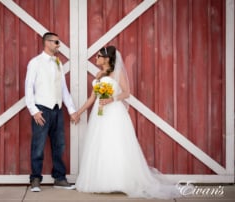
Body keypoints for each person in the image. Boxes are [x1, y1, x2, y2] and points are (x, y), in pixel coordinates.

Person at [75, 45, 181, 199]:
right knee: (100, 145)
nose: (96, 58)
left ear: (107, 58)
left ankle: (121, 181)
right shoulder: (98, 74)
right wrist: (78, 112)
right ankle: (101, 181)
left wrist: (112, 99)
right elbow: (93, 98)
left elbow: (126, 93)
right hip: (99, 116)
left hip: (114, 113)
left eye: (98, 56)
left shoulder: (117, 74)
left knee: (116, 144)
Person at [25, 32, 79, 192]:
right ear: (47, 42)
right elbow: (28, 87)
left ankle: (60, 179)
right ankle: (35, 179)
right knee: (38, 146)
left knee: (59, 145)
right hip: (41, 109)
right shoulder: (35, 62)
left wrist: (71, 109)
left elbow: (63, 88)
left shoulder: (58, 63)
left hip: (57, 109)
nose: (58, 45)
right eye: (56, 42)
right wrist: (34, 110)